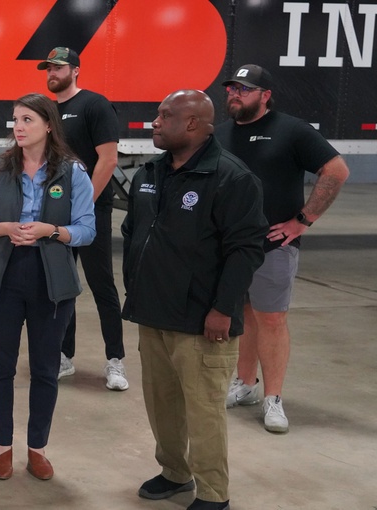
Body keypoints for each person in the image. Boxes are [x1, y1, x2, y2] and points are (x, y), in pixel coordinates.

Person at [121, 90, 267, 510]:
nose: (154, 121)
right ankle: (174, 472)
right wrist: (136, 285)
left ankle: (213, 493)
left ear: (192, 124)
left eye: (164, 115)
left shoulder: (231, 178)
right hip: (154, 311)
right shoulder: (151, 172)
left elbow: (246, 250)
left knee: (203, 411)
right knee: (161, 404)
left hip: (204, 319)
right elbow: (134, 231)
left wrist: (223, 308)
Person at [215, 64, 351, 433]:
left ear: (265, 95)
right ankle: (245, 384)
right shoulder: (221, 134)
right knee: (242, 314)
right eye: (232, 89)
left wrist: (302, 220)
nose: (235, 94)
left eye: (244, 89)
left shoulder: (291, 130)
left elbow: (336, 171)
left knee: (271, 317)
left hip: (273, 244)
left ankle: (273, 398)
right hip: (228, 245)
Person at [0, 93, 96, 481]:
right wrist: (4, 228)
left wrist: (51, 231)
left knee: (44, 369)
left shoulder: (73, 172)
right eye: (15, 121)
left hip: (51, 282)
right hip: (2, 278)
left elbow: (87, 230)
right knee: (1, 368)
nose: (18, 128)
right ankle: (1, 448)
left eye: (27, 120)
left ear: (48, 125)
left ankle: (37, 449)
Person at [38, 46, 128, 390]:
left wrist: (84, 206)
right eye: (48, 69)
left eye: (58, 68)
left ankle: (115, 361)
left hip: (89, 212)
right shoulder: (45, 111)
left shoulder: (94, 105)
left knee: (101, 283)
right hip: (55, 213)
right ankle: (63, 356)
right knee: (61, 286)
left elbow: (108, 159)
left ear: (75, 70)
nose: (51, 74)